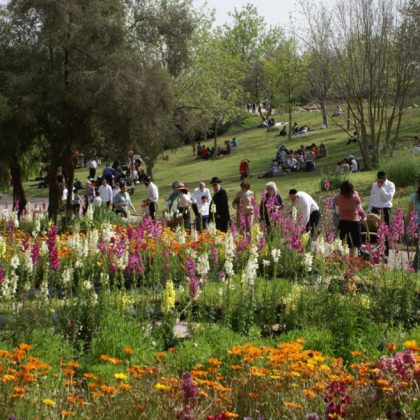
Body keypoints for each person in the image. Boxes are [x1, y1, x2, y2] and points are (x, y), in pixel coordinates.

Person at [368, 171, 395, 258]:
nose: (379, 183)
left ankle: (385, 252)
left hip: (385, 209)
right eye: (378, 181)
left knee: (385, 230)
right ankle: (376, 251)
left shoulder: (390, 185)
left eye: (381, 181)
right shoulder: (374, 185)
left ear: (385, 179)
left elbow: (389, 197)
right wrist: (369, 209)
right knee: (375, 231)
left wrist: (381, 188)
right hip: (375, 209)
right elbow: (372, 197)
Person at [335, 181, 365, 257]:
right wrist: (363, 217)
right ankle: (352, 261)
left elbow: (337, 212)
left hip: (343, 222)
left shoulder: (338, 198)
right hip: (354, 222)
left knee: (343, 243)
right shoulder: (355, 197)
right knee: (353, 244)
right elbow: (360, 210)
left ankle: (344, 260)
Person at [408, 178, 420, 272]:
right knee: (418, 249)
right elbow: (409, 213)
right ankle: (415, 268)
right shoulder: (414, 197)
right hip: (417, 226)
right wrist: (405, 227)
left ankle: (415, 268)